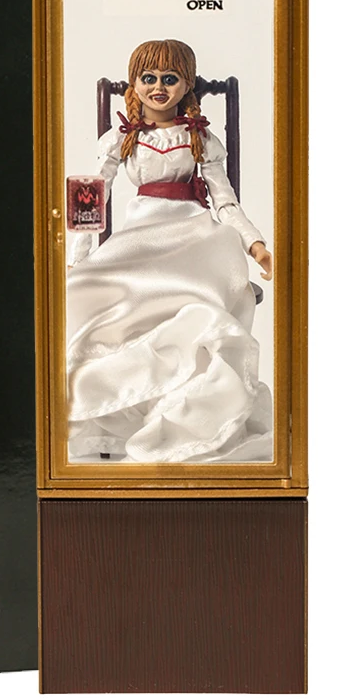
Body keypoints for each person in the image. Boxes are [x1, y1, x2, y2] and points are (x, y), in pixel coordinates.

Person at [66, 39, 273, 463]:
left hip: (195, 235)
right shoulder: (121, 139)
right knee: (85, 288)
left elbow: (225, 201)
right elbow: (93, 195)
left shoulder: (199, 138)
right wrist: (77, 254)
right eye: (149, 78)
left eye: (170, 78)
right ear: (135, 83)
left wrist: (254, 243)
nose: (158, 87)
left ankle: (192, 413)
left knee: (201, 297)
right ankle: (126, 404)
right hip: (140, 235)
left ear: (186, 84)